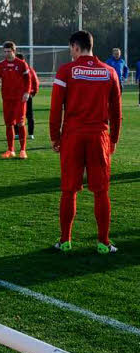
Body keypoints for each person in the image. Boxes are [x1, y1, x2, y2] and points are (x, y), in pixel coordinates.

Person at [50, 30, 122, 253]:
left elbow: (55, 109)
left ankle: (65, 241)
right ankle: (103, 243)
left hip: (72, 136)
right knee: (101, 191)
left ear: (76, 47)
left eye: (71, 48)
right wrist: (114, 139)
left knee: (69, 191)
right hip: (99, 136)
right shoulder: (110, 72)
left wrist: (55, 136)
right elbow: (116, 112)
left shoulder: (66, 71)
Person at [0, 41, 31, 158]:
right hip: (7, 98)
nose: (6, 54)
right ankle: (11, 150)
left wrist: (27, 92)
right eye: (5, 51)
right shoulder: (0, 65)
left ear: (14, 51)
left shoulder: (21, 64)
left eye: (9, 51)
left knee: (20, 123)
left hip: (20, 99)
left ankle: (23, 150)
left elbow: (28, 80)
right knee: (9, 124)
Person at [15, 53, 40, 139]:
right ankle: (20, 133)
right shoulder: (18, 69)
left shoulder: (28, 69)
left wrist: (33, 92)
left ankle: (28, 133)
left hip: (26, 94)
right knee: (22, 114)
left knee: (27, 114)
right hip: (19, 95)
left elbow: (35, 82)